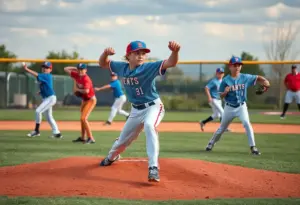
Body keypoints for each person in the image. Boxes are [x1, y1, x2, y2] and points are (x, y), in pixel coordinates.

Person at [98, 40, 180, 182]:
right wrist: (105, 54)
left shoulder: (149, 67)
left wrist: (175, 52)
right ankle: (112, 157)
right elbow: (103, 64)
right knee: (122, 141)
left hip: (153, 106)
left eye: (143, 53)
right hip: (135, 110)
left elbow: (171, 63)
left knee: (150, 125)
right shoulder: (121, 67)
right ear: (128, 55)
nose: (141, 56)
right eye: (137, 53)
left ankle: (153, 167)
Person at [205, 56, 270, 155]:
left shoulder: (245, 77)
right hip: (229, 107)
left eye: (239, 65)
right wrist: (225, 93)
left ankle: (253, 147)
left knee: (247, 123)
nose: (237, 67)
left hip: (241, 106)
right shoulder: (225, 81)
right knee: (221, 128)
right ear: (230, 67)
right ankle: (211, 143)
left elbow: (257, 78)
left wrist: (266, 82)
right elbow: (220, 96)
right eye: (235, 65)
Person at [23, 61, 62, 139]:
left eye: (47, 68)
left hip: (50, 98)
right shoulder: (45, 76)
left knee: (38, 111)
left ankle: (36, 131)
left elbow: (36, 74)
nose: (45, 69)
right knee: (49, 117)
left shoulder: (47, 76)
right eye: (44, 67)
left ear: (50, 69)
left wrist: (27, 69)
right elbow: (47, 86)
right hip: (47, 98)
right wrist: (41, 91)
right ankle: (57, 133)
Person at [64, 63, 97, 144]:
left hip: (91, 100)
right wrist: (75, 68)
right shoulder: (76, 75)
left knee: (83, 118)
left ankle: (91, 138)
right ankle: (83, 137)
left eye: (82, 69)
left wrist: (77, 90)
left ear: (86, 70)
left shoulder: (86, 79)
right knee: (82, 119)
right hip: (84, 100)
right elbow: (66, 69)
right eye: (79, 69)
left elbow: (86, 91)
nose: (80, 71)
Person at [200, 67, 231, 132]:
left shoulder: (223, 81)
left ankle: (203, 122)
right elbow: (206, 88)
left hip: (219, 100)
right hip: (214, 99)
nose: (221, 74)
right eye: (219, 73)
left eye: (222, 73)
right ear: (216, 73)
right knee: (222, 112)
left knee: (216, 115)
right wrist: (209, 97)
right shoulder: (214, 81)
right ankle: (224, 128)